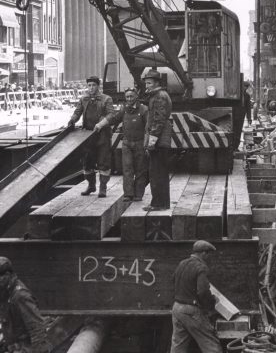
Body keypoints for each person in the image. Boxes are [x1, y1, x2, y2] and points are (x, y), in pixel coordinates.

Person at [67, 76, 115, 197]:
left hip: (102, 135)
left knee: (103, 162)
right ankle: (91, 185)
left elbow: (111, 115)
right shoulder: (84, 99)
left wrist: (101, 124)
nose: (91, 88)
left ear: (98, 86)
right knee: (87, 162)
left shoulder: (106, 99)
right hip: (87, 136)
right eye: (89, 85)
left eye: (93, 85)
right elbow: (77, 112)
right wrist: (72, 120)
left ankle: (103, 188)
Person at [170, 240, 221, 353]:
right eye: (209, 255)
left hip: (177, 308)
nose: (209, 258)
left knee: (178, 346)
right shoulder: (201, 267)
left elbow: (173, 280)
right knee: (211, 344)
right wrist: (211, 304)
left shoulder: (182, 263)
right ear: (204, 253)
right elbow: (202, 291)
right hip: (191, 311)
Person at [106, 87, 148, 202]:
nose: (129, 99)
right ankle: (128, 194)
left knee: (140, 169)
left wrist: (146, 143)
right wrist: (102, 122)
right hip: (127, 143)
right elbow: (114, 119)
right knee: (127, 168)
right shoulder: (123, 109)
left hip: (140, 143)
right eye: (127, 97)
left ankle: (138, 194)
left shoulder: (144, 110)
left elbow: (148, 128)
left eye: (131, 96)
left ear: (136, 97)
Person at [143, 69, 173, 211]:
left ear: (156, 83)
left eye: (149, 83)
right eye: (146, 83)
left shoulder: (159, 97)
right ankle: (162, 203)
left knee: (157, 173)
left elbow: (158, 120)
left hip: (159, 141)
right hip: (161, 140)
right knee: (159, 172)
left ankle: (158, 204)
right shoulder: (159, 95)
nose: (146, 86)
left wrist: (151, 141)